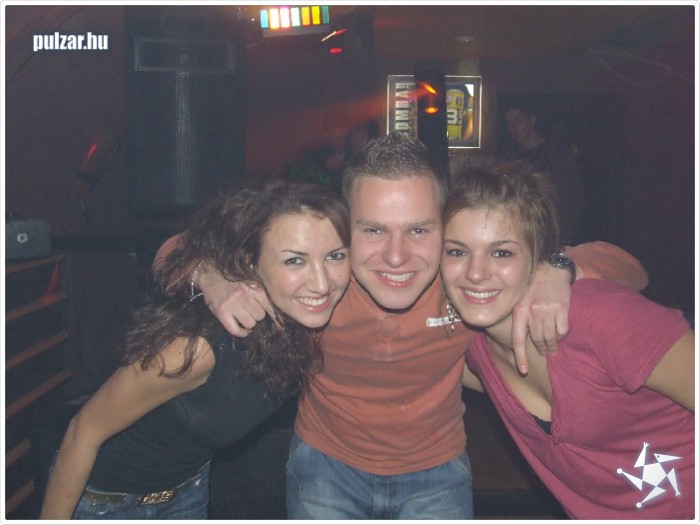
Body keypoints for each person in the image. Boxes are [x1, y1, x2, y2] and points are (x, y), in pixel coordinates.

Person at [162, 132, 648, 519]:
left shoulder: (468, 282)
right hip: (325, 467)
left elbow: (629, 266)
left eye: (418, 230)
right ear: (343, 227)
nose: (396, 257)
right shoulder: (317, 284)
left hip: (437, 473)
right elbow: (171, 251)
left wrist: (556, 268)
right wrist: (213, 277)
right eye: (373, 230)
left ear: (445, 228)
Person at [39, 180, 351, 520]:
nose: (322, 283)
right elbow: (83, 432)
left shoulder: (303, 320)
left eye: (335, 256)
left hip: (188, 491)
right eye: (294, 261)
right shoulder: (200, 346)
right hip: (108, 502)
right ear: (251, 263)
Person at [442, 160, 694, 519]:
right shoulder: (471, 352)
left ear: (537, 259)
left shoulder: (595, 317)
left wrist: (564, 263)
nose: (476, 272)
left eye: (502, 252)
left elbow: (631, 267)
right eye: (457, 251)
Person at [503, 100, 586, 245]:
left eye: (518, 120)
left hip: (556, 233)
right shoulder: (511, 159)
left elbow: (572, 196)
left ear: (531, 120)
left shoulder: (556, 152)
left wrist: (562, 235)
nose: (514, 127)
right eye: (509, 123)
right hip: (525, 233)